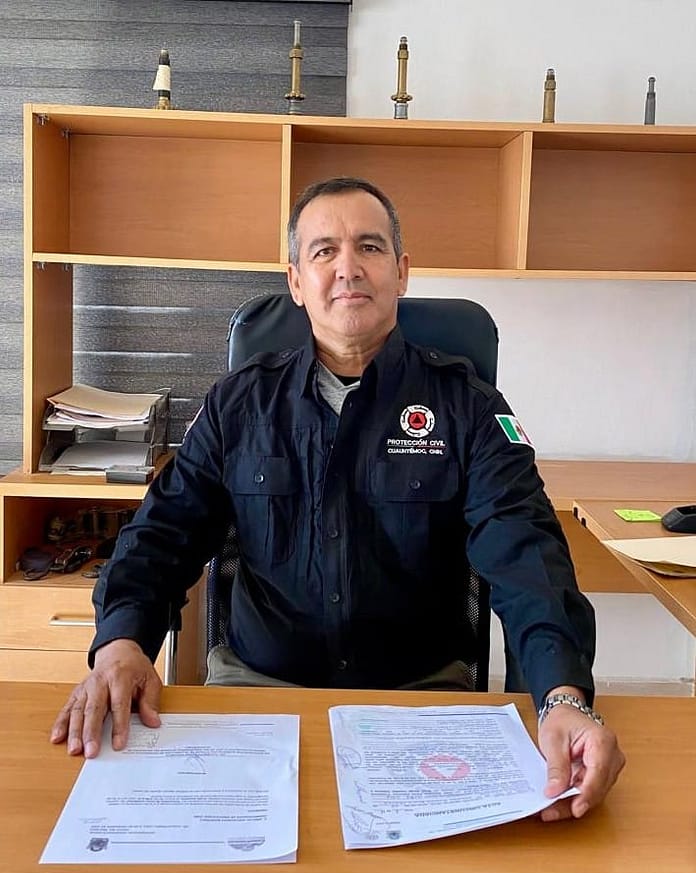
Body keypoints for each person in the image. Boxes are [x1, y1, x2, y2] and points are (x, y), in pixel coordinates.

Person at [51, 177, 624, 821]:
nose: (347, 267)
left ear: (401, 272)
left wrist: (563, 696)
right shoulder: (238, 405)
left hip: (417, 700)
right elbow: (162, 535)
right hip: (258, 689)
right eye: (324, 251)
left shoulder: (468, 408)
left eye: (369, 247)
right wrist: (122, 642)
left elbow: (526, 554)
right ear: (296, 282)